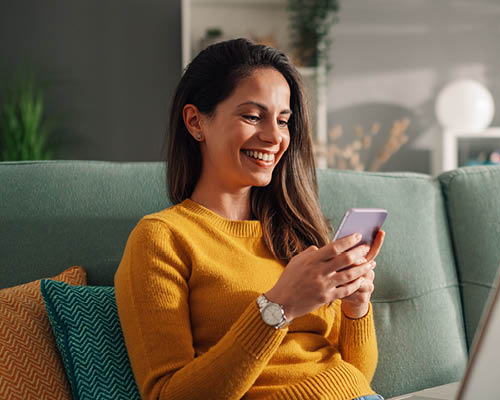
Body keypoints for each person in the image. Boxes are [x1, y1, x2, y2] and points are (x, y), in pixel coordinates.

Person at [114, 38, 386, 400]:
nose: (275, 136)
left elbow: (357, 377)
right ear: (196, 122)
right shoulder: (162, 239)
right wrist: (279, 307)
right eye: (252, 116)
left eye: (284, 121)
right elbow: (168, 395)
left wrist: (356, 308)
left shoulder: (297, 233)